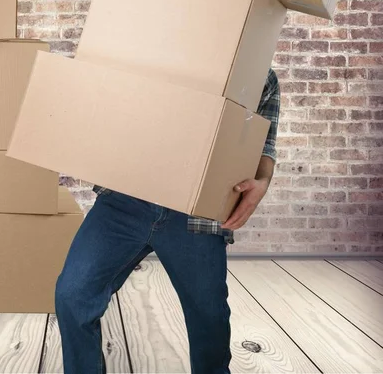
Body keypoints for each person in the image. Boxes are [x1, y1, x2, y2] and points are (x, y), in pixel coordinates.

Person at [55, 69, 280, 374]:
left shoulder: (259, 76)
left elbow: (263, 147)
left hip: (196, 216)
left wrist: (262, 182)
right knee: (73, 294)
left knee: (209, 318)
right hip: (124, 200)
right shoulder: (149, 45)